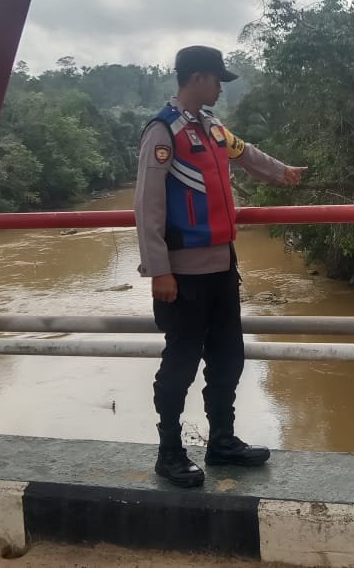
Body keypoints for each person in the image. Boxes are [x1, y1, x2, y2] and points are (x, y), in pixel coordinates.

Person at [134, 45, 305, 487]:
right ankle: (169, 452)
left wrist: (282, 172)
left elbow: (247, 155)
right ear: (198, 78)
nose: (220, 89)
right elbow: (147, 206)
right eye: (217, 80)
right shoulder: (163, 131)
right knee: (181, 364)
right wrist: (159, 270)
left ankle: (222, 442)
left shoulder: (211, 128)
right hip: (183, 274)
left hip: (223, 266)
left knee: (228, 358)